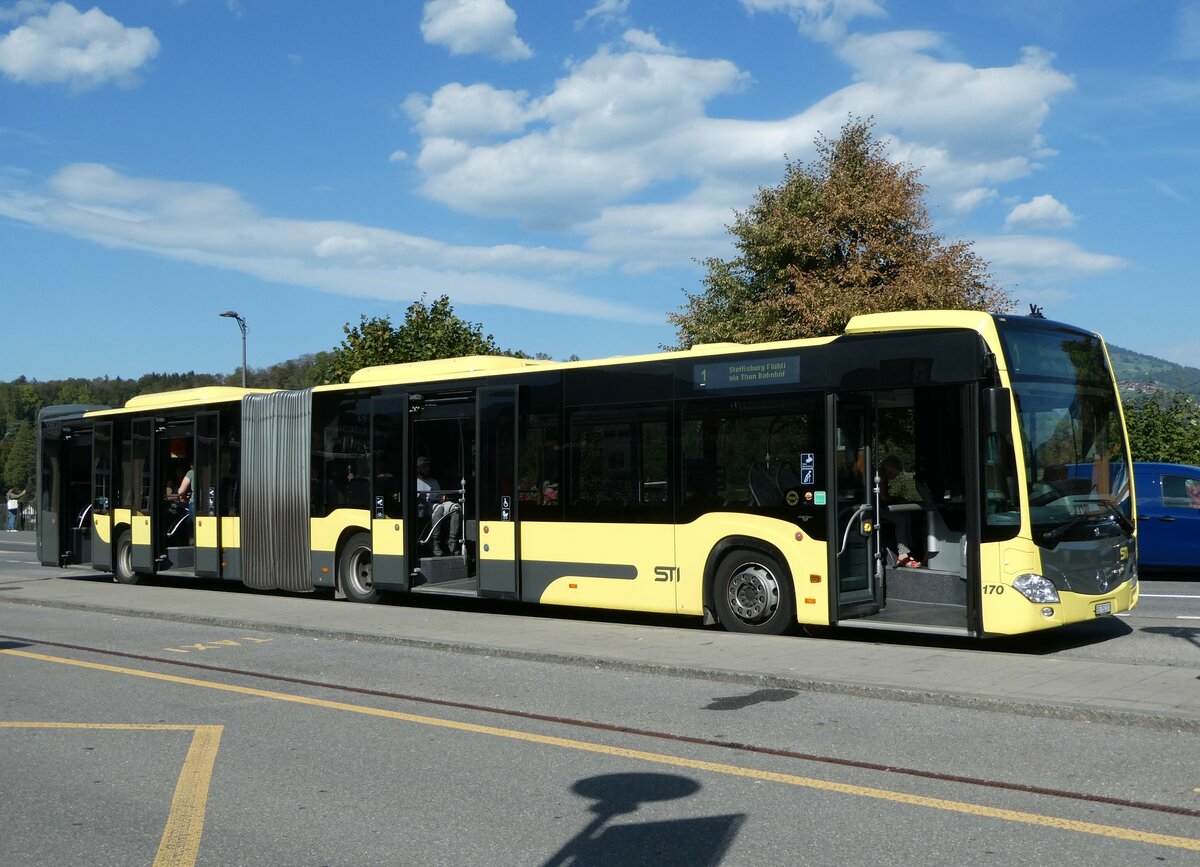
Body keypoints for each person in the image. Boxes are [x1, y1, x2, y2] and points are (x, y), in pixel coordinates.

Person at [879, 455, 921, 568]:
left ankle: (907, 550)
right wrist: (898, 499)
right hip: (874, 510)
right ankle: (903, 555)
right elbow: (883, 497)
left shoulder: (882, 474)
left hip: (879, 508)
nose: (895, 476)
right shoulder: (880, 475)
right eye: (895, 473)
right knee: (901, 518)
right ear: (890, 468)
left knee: (906, 513)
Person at [417, 455, 460, 556]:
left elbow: (439, 495)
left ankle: (452, 541)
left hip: (436, 503)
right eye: (424, 467)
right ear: (418, 468)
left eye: (428, 466)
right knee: (439, 508)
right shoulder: (414, 482)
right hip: (424, 507)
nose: (427, 469)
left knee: (456, 508)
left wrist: (442, 497)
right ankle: (434, 542)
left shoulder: (434, 481)